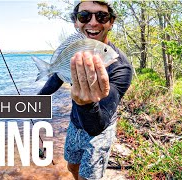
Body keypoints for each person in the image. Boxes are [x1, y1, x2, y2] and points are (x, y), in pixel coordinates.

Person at [38, 0, 132, 179]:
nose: (93, 22)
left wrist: (85, 104)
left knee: (86, 178)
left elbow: (98, 125)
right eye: (84, 16)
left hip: (100, 131)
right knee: (72, 167)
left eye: (102, 16)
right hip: (75, 123)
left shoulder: (121, 68)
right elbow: (56, 78)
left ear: (111, 22)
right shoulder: (75, 51)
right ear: (76, 22)